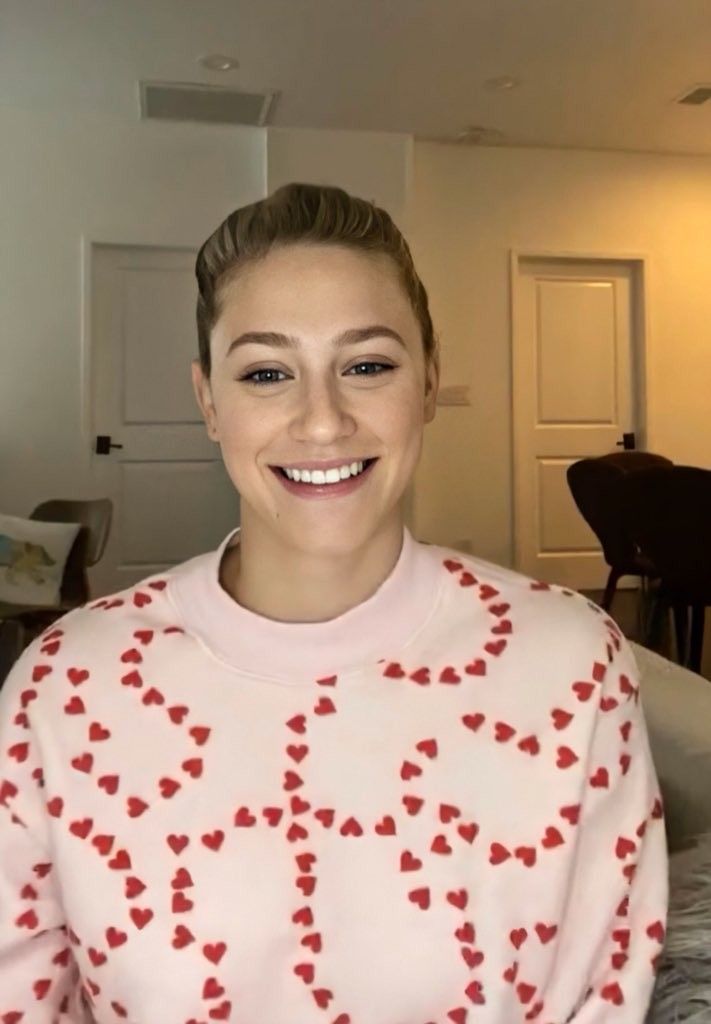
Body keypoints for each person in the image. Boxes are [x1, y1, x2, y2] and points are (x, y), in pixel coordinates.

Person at [0, 183, 668, 1023]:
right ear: (210, 401)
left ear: (428, 381)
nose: (322, 422)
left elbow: (604, 996)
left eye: (367, 366)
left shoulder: (571, 662)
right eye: (268, 373)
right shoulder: (66, 685)